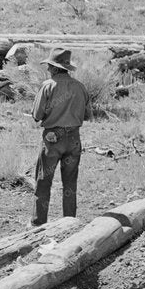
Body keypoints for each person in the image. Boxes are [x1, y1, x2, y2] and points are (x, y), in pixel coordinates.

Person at [31, 47, 90, 225]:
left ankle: (38, 223)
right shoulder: (80, 87)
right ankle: (69, 223)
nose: (48, 70)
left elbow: (37, 115)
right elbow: (87, 115)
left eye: (49, 67)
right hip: (73, 140)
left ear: (55, 68)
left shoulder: (48, 86)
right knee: (70, 184)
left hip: (52, 141)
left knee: (43, 181)